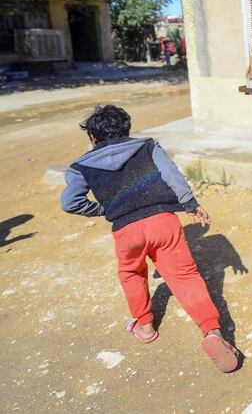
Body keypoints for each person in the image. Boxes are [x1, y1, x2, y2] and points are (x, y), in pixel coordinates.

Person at [60, 105, 239, 372]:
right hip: (163, 221)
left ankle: (145, 327)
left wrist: (103, 209)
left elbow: (69, 202)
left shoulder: (81, 166)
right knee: (185, 276)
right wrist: (190, 204)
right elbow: (172, 175)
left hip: (125, 230)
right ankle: (212, 332)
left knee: (132, 274)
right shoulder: (146, 146)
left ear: (93, 138)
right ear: (126, 129)